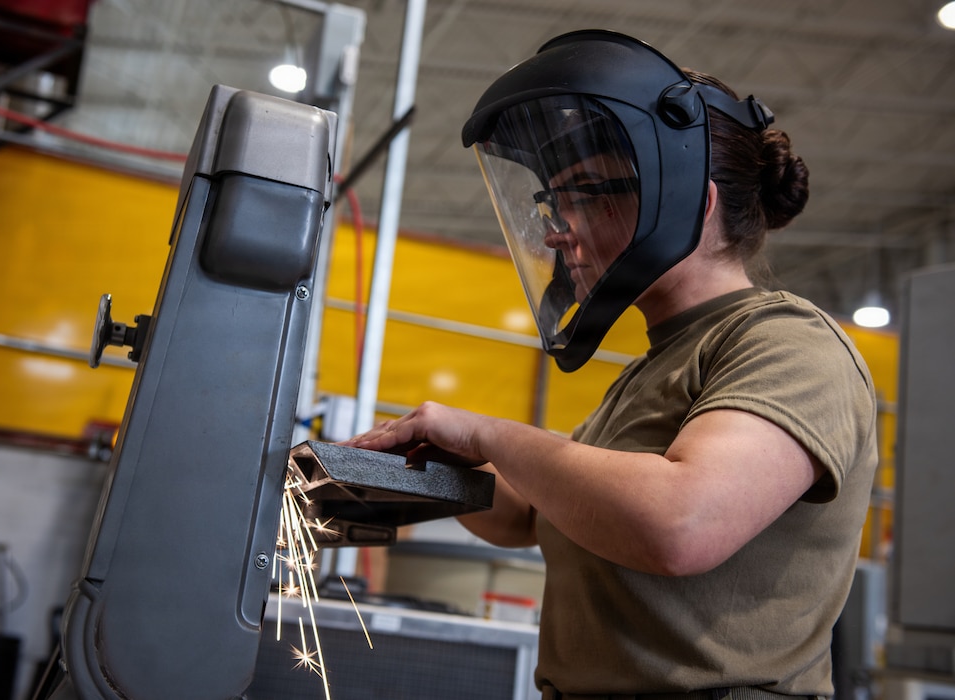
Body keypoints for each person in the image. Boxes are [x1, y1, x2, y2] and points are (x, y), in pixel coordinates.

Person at [344, 29, 877, 700]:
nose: (555, 229)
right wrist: (404, 466)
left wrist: (484, 433)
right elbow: (528, 517)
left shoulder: (786, 342)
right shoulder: (654, 365)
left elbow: (679, 525)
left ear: (691, 200)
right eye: (553, 202)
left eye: (586, 197)